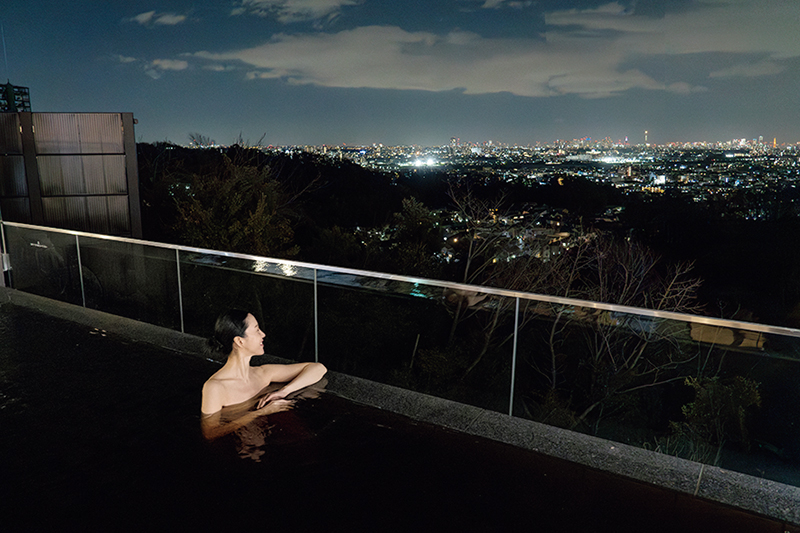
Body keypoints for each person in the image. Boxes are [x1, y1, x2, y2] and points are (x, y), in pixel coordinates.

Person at [200, 309, 327, 440]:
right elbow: (210, 433)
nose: (263, 334)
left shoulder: (263, 373)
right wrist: (260, 413)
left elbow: (318, 368)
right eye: (257, 330)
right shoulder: (215, 387)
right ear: (239, 341)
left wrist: (283, 392)